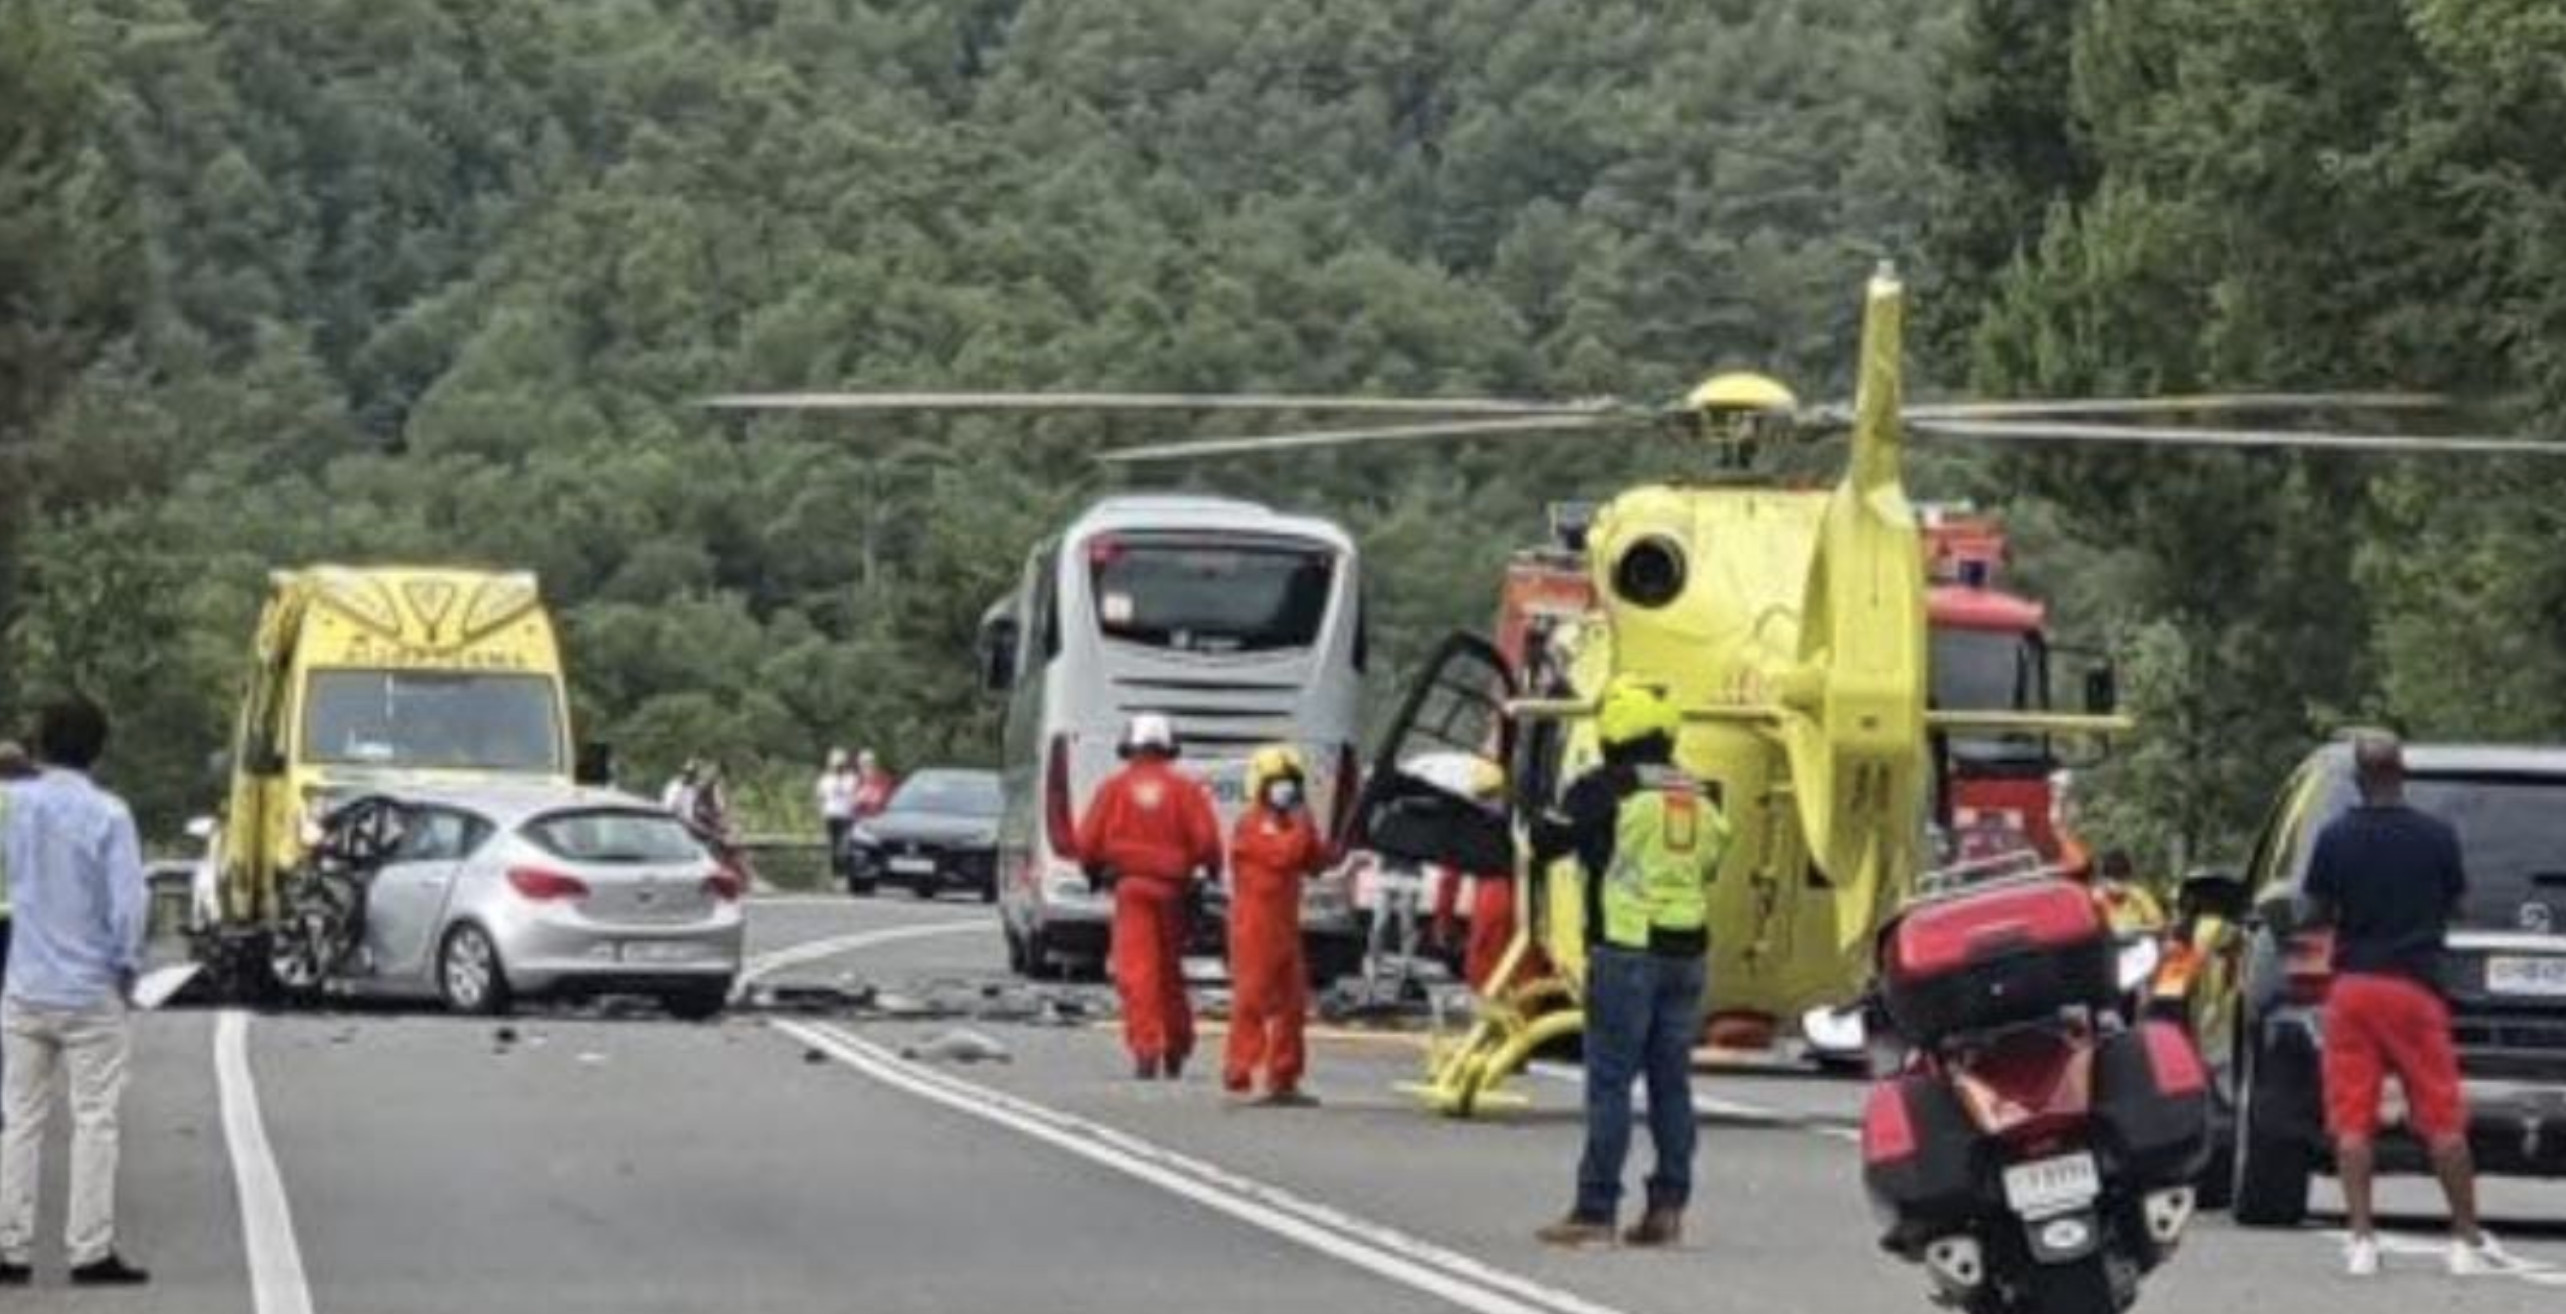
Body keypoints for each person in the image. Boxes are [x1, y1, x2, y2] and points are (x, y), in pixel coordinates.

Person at [1530, 679, 1728, 1249]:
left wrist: (1546, 805)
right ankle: (1668, 1207)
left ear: (1614, 728)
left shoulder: (1603, 788)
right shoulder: (1701, 792)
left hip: (1624, 949)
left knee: (1611, 1083)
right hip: (1686, 952)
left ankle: (1595, 1210)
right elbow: (1711, 861)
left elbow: (1547, 843)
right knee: (1672, 1084)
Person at [2307, 731, 2509, 1278]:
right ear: (2403, 773)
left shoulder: (2335, 837)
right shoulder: (2437, 836)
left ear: (2357, 778)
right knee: (2442, 1116)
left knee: (2353, 1120)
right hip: (2415, 988)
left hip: (2353, 989)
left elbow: (2316, 909)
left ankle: (2362, 1242)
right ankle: (2465, 1240)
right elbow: (2459, 901)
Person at [0, 698, 149, 1285]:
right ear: (99, 748)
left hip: (26, 985)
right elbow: (128, 903)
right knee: (95, 1119)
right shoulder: (110, 815)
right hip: (90, 992)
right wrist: (127, 964)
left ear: (38, 743)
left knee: (19, 1120)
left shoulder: (13, 807)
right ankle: (89, 1250)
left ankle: (9, 1247)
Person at [1076, 714, 1221, 1081]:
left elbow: (1088, 842)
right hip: (1174, 891)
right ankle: (1177, 1046)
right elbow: (1206, 843)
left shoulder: (1114, 788)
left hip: (1132, 890)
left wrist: (1092, 870)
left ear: (1131, 745)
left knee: (1137, 971)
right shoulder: (1185, 790)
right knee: (1169, 971)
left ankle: (1146, 1047)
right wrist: (1211, 871)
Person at [1223, 745, 1330, 1105]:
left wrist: (1309, 822)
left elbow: (1315, 861)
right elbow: (1283, 855)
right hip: (1255, 928)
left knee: (1292, 1004)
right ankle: (1242, 1071)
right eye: (1278, 782)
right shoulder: (1252, 823)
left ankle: (1283, 1078)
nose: (1285, 789)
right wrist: (1302, 826)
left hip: (1284, 927)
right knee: (1252, 1000)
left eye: (1291, 783)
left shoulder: (1293, 822)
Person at [817, 749, 858, 878]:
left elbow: (856, 796)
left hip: (846, 815)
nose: (838, 768)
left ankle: (846, 870)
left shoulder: (852, 779)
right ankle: (835, 873)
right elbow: (820, 798)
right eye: (836, 765)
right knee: (832, 845)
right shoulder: (825, 780)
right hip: (831, 815)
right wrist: (821, 812)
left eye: (840, 765)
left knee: (845, 845)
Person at [851, 749, 897, 821]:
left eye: (869, 763)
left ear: (876, 764)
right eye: (862, 765)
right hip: (863, 824)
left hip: (883, 823)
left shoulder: (887, 781)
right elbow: (854, 806)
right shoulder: (860, 782)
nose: (866, 767)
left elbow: (891, 803)